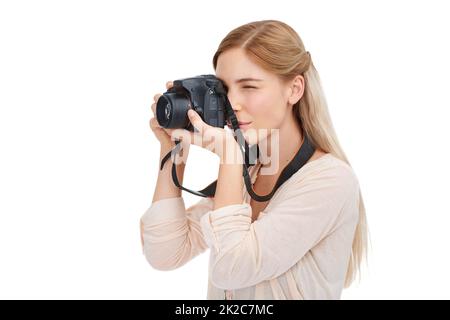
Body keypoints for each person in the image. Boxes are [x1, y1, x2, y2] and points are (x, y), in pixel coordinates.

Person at [141, 20, 368, 299]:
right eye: (224, 90)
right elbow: (165, 253)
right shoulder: (251, 169)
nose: (232, 104)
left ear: (294, 90)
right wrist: (172, 151)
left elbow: (232, 267)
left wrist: (229, 158)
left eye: (249, 87)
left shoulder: (331, 180)